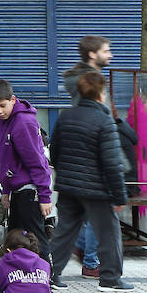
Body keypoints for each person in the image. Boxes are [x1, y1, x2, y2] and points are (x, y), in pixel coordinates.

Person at [46, 71, 134, 292]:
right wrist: (119, 195)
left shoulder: (66, 116)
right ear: (100, 94)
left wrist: (64, 174)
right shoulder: (104, 121)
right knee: (109, 232)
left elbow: (54, 151)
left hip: (68, 186)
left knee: (65, 232)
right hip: (97, 189)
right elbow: (112, 163)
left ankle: (51, 274)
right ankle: (110, 279)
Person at [61, 35, 113, 278]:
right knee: (97, 214)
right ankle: (92, 262)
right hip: (92, 154)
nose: (110, 54)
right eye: (106, 50)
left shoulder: (83, 79)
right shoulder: (88, 82)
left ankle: (81, 251)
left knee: (76, 217)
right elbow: (96, 118)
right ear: (93, 54)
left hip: (83, 155)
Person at [0, 79, 53, 264]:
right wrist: (6, 191)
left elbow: (37, 161)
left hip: (30, 188)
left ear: (13, 100)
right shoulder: (0, 122)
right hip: (15, 188)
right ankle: (20, 276)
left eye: (2, 106)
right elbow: (3, 158)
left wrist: (45, 196)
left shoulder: (24, 122)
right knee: (15, 237)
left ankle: (47, 277)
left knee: (34, 236)